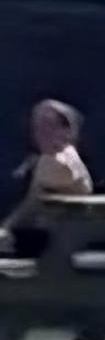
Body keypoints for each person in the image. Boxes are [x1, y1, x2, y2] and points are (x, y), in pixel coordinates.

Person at [0, 99, 93, 257]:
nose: (42, 132)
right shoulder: (44, 159)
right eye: (37, 126)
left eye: (49, 124)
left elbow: (31, 206)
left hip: (57, 246)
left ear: (67, 130)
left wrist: (5, 229)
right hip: (42, 241)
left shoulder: (60, 161)